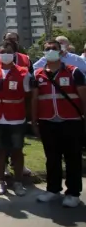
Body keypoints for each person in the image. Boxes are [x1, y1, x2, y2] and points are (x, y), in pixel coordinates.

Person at [31, 40, 86, 208]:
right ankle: (53, 189)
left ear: (61, 52)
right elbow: (34, 100)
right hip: (48, 122)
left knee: (72, 158)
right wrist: (34, 121)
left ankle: (73, 193)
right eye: (47, 49)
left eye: (54, 49)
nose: (50, 51)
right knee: (52, 158)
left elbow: (83, 97)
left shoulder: (74, 72)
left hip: (71, 121)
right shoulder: (38, 74)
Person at [0, 41, 30, 196]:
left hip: (16, 117)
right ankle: (1, 180)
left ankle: (18, 182)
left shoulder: (24, 72)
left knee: (17, 151)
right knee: (0, 151)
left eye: (8, 51)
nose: (5, 54)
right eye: (2, 51)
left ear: (14, 54)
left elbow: (28, 95)